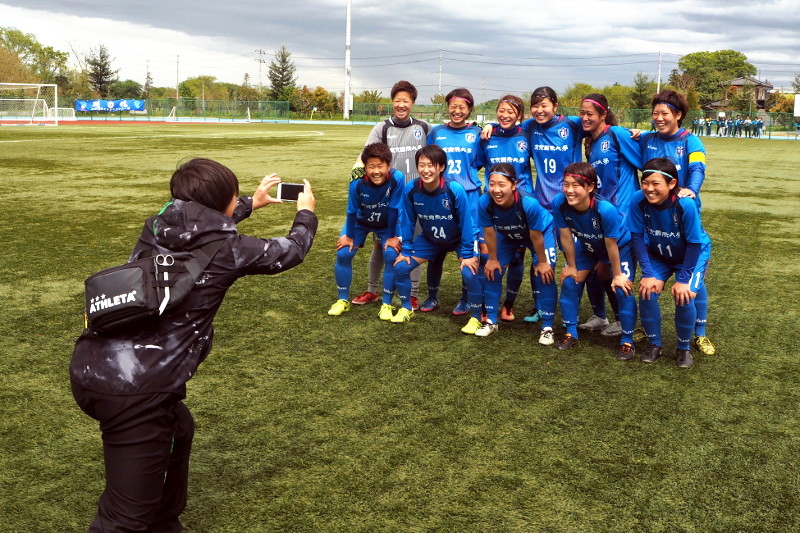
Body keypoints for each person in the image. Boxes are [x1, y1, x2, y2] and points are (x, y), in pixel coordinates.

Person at [70, 158, 317, 532]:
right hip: (133, 389)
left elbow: (201, 228)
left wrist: (253, 202)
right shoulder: (228, 250)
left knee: (179, 429)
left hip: (93, 361)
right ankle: (147, 520)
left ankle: (165, 521)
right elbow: (290, 251)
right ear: (223, 202)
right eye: (235, 198)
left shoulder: (158, 223)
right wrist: (305, 214)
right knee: (123, 520)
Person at [481, 86, 583, 323]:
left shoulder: (572, 124)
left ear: (555, 106)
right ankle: (540, 307)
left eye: (544, 105)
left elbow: (596, 120)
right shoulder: (530, 128)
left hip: (571, 203)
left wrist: (628, 131)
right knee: (539, 256)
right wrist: (489, 126)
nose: (539, 110)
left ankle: (575, 313)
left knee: (574, 259)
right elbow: (507, 125)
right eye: (535, 106)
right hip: (539, 204)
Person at [638, 89, 715, 355]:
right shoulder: (647, 138)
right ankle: (653, 336)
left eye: (664, 113)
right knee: (669, 259)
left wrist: (690, 189)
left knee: (691, 275)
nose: (658, 118)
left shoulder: (690, 141)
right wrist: (633, 133)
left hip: (683, 209)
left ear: (678, 115)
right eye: (655, 113)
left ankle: (700, 333)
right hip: (656, 210)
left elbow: (697, 167)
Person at [350, 80, 429, 310]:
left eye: (406, 101)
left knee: (412, 245)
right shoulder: (382, 128)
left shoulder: (424, 128)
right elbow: (365, 156)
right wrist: (355, 174)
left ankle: (413, 294)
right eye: (397, 100)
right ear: (392, 102)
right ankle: (372, 290)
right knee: (379, 246)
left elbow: (436, 154)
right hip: (386, 197)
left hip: (416, 198)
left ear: (412, 103)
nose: (401, 105)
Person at [630, 158, 713, 368]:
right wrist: (648, 274)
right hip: (660, 255)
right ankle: (654, 344)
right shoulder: (637, 200)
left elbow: (694, 243)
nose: (649, 188)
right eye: (645, 182)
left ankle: (683, 348)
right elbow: (637, 237)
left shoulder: (685, 204)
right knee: (646, 291)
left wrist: (683, 279)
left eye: (656, 183)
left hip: (692, 254)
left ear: (672, 184)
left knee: (684, 295)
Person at [392, 144, 483, 333]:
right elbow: (408, 221)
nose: (425, 170)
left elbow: (467, 224)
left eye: (431, 165)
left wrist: (467, 253)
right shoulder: (412, 189)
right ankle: (407, 308)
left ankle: (475, 316)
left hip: (460, 238)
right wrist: (406, 250)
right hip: (431, 238)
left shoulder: (454, 189)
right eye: (421, 165)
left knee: (468, 271)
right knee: (401, 266)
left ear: (441, 167)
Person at [552, 162, 637, 360]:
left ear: (590, 188)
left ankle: (627, 341)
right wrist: (571, 266)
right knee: (569, 281)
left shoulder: (605, 209)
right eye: (566, 184)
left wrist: (617, 275)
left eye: (576, 185)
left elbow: (611, 245)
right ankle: (571, 333)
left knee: (622, 287)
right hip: (588, 244)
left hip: (618, 247)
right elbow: (565, 236)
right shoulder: (559, 202)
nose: (569, 190)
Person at [579, 93, 643, 337]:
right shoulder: (591, 143)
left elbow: (644, 162)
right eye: (582, 113)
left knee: (619, 274)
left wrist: (642, 133)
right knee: (598, 271)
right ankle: (603, 317)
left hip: (624, 218)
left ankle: (627, 326)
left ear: (603, 115)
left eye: (590, 114)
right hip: (601, 219)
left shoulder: (616, 135)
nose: (585, 118)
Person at [478, 163, 557, 342]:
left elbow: (536, 236)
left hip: (539, 233)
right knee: (492, 271)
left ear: (514, 185)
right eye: (492, 184)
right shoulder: (485, 201)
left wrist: (543, 262)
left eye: (502, 184)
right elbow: (489, 231)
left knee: (545, 274)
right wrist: (493, 259)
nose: (496, 190)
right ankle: (491, 321)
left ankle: (547, 327)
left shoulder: (529, 203)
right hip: (508, 233)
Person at [426, 88, 485, 315]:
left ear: (469, 109)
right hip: (440, 196)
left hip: (469, 197)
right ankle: (432, 296)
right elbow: (429, 160)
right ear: (448, 107)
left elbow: (479, 162)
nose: (457, 111)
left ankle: (466, 298)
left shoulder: (477, 133)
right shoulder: (437, 132)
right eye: (453, 106)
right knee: (436, 247)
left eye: (462, 107)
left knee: (468, 247)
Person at [328, 143, 403, 320]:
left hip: (387, 223)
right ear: (364, 167)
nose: (376, 171)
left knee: (392, 255)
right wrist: (349, 236)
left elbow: (394, 209)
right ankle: (342, 300)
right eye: (371, 166)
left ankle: (386, 303)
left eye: (380, 166)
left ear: (389, 166)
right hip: (361, 221)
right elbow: (352, 209)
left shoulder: (397, 178)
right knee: (344, 253)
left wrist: (392, 236)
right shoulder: (357, 181)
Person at [479, 95, 533, 321]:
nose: (505, 115)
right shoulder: (487, 137)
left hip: (521, 206)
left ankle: (508, 306)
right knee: (488, 256)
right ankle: (485, 307)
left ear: (519, 115)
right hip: (494, 205)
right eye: (501, 110)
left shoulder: (526, 135)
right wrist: (486, 126)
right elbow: (477, 163)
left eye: (511, 111)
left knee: (517, 258)